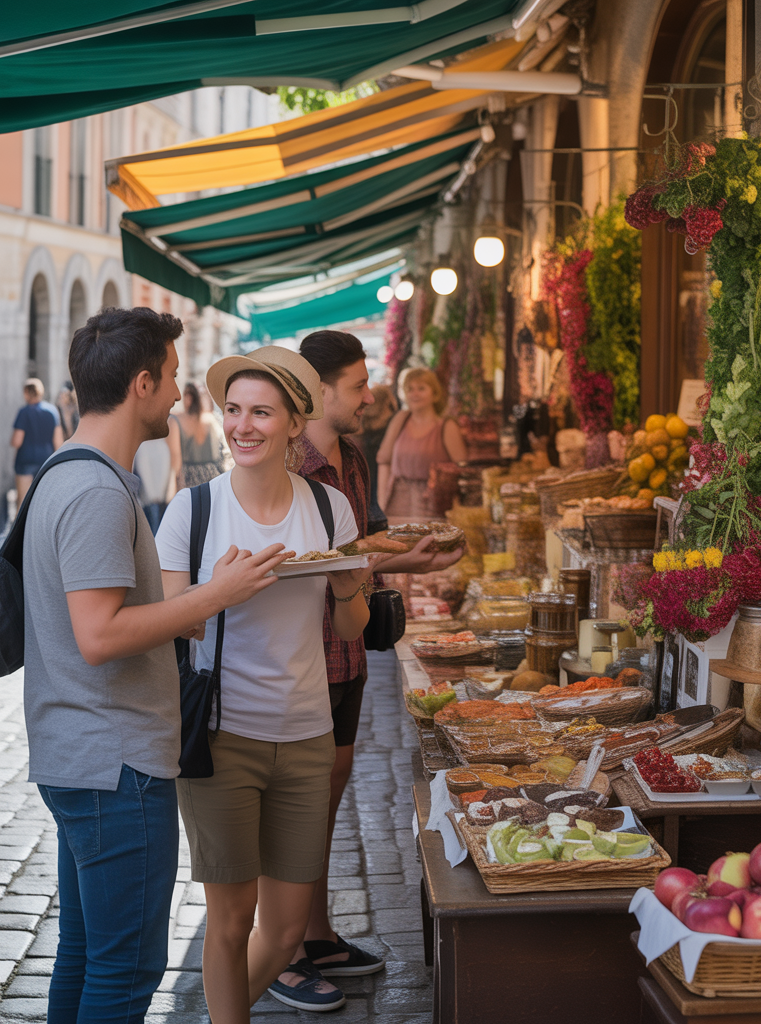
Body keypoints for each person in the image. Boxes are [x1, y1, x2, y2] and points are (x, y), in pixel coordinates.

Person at [22, 306, 292, 1024]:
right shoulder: (94, 491)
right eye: (171, 377)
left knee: (84, 959)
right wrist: (214, 595)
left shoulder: (67, 472)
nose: (178, 394)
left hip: (83, 758)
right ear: (141, 382)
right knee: (126, 971)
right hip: (115, 766)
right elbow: (100, 635)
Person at [156, 345, 379, 1022]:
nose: (242, 426)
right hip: (223, 739)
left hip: (309, 736)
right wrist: (216, 593)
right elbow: (173, 629)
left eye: (261, 412)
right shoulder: (190, 514)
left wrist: (347, 587)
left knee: (284, 932)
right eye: (233, 410)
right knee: (230, 921)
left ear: (292, 425)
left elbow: (350, 626)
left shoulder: (329, 507)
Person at [267, 331, 464, 1011]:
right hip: (300, 658)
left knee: (327, 795)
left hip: (346, 653)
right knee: (294, 806)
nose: (368, 394)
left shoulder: (352, 454)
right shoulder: (287, 461)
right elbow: (303, 561)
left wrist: (421, 558)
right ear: (319, 390)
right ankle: (281, 948)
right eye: (356, 385)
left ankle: (316, 933)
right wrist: (391, 557)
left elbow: (362, 549)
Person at [376, 368, 467, 521]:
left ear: (435, 393)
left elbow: (462, 469)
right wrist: (382, 502)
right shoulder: (401, 419)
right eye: (410, 389)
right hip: (398, 502)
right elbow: (384, 460)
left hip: (434, 504)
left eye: (421, 388)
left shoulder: (446, 426)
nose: (414, 394)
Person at [11, 378, 63, 509]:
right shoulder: (52, 411)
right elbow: (58, 441)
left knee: (22, 504)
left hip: (25, 461)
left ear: (27, 392)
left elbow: (17, 441)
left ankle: (21, 530)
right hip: (46, 462)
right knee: (43, 504)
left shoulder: (24, 412)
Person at [354, 383, 397, 531]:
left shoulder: (361, 426)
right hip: (382, 476)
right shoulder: (393, 423)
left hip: (366, 477)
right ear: (387, 401)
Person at [175, 381, 230, 487]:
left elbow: (175, 463)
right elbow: (225, 452)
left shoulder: (178, 420)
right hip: (214, 477)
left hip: (190, 480)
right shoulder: (214, 418)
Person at [134, 418, 180, 531]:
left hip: (163, 490)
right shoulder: (135, 422)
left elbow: (175, 457)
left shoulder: (170, 423)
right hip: (142, 491)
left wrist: (171, 486)